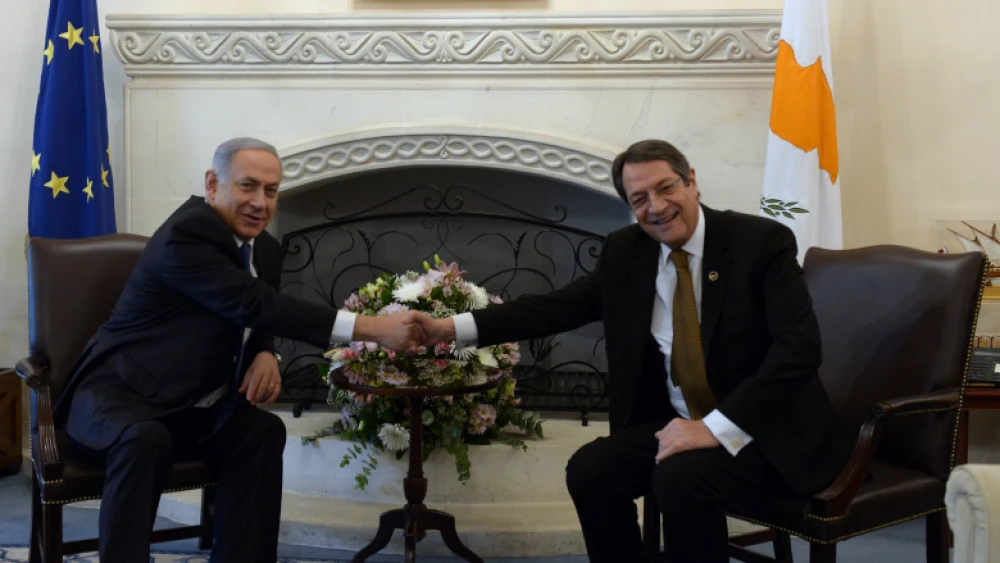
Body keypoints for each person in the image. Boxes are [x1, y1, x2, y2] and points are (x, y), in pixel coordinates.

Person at [412, 139, 854, 562]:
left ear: (691, 181)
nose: (656, 207)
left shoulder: (760, 243)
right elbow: (553, 310)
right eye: (639, 198)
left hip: (764, 429)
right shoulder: (627, 252)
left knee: (681, 479)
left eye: (665, 188)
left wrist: (715, 428)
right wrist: (446, 328)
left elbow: (798, 351)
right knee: (591, 471)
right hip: (677, 425)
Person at [55, 137, 423, 563]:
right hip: (117, 395)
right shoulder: (186, 235)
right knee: (145, 440)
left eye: (271, 190)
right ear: (213, 184)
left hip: (185, 403)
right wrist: (374, 329)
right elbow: (252, 303)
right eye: (247, 186)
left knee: (261, 433)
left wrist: (267, 352)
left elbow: (258, 313)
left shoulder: (263, 247)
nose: (260, 203)